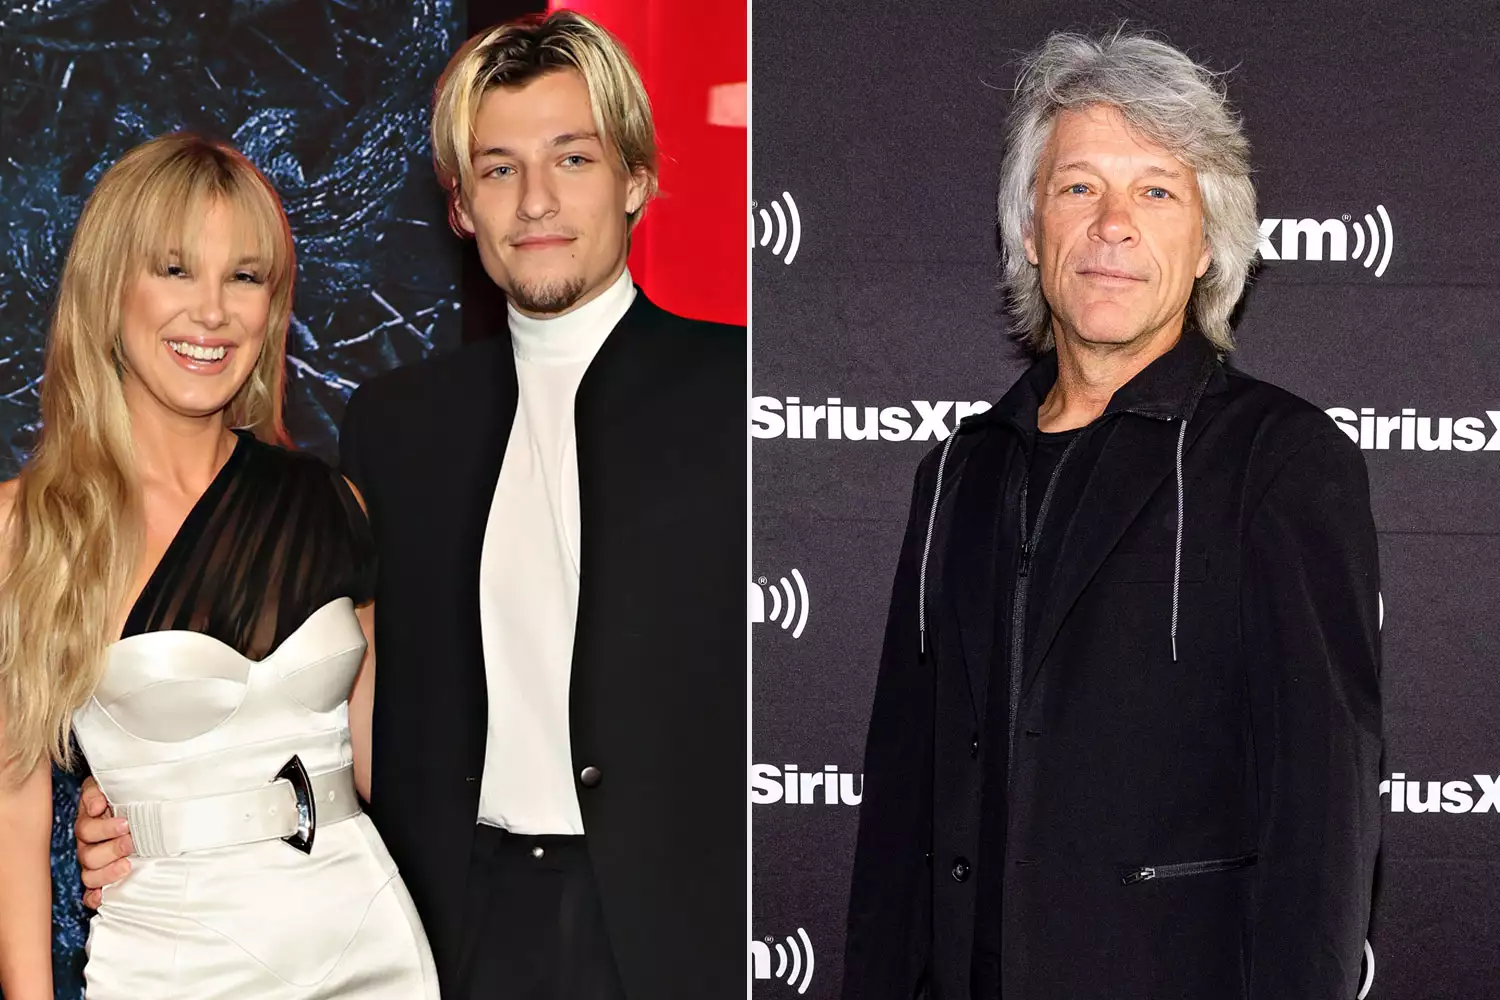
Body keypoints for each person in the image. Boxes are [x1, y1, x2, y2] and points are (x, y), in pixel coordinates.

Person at [78, 12, 744, 1000]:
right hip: (444, 931)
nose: (538, 201)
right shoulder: (397, 428)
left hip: (674, 931)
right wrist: (152, 790)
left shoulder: (737, 394)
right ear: (463, 206)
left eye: (573, 157)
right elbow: (332, 690)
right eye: (500, 168)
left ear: (636, 178)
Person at [842, 29, 1381, 1000]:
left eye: (1157, 190)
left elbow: (1323, 819)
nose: (1114, 224)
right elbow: (899, 813)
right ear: (1031, 227)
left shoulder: (1283, 463)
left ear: (1210, 241)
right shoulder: (957, 473)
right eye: (1080, 186)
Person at [0, 133, 438, 999]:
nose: (211, 311)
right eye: (174, 269)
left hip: (370, 945)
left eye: (244, 276)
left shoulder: (329, 503)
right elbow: (13, 820)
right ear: (107, 289)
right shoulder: (27, 526)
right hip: (170, 965)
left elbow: (391, 762)